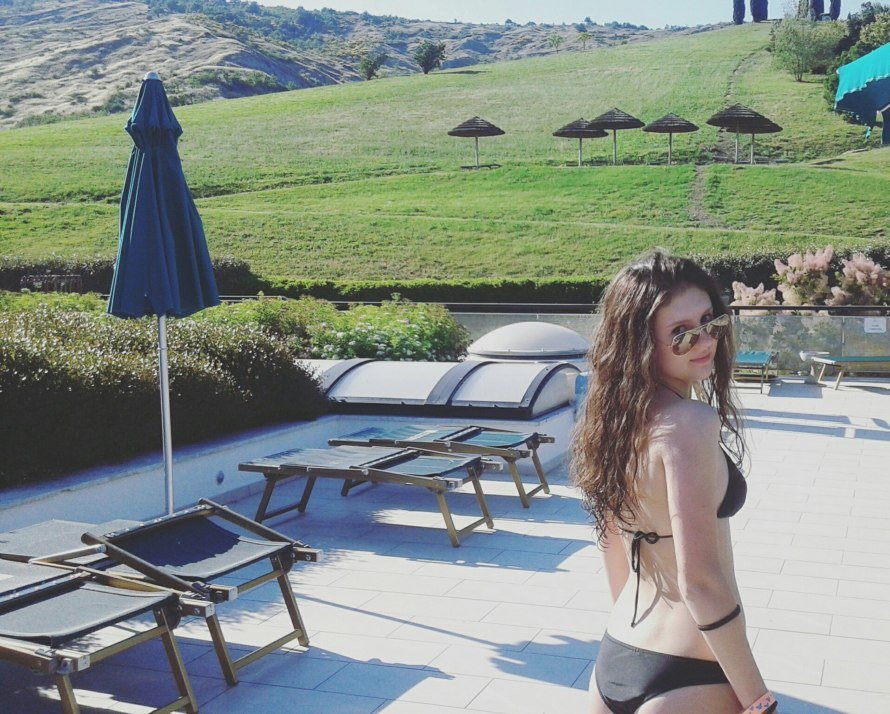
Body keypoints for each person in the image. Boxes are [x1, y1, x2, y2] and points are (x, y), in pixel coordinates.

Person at [571, 251, 777, 714]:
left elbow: (611, 542)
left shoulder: (613, 422)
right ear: (641, 343)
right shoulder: (689, 423)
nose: (704, 341)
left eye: (709, 321)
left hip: (616, 652)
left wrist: (630, 650)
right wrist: (759, 702)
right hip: (688, 673)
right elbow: (700, 582)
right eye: (681, 333)